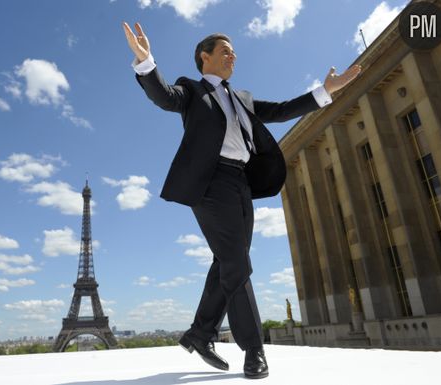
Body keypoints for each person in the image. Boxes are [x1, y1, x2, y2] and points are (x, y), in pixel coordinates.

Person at [122, 22, 361, 379]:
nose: (233, 55)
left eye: (234, 51)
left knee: (230, 261)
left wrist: (324, 92)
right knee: (237, 262)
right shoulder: (191, 90)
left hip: (241, 182)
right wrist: (146, 62)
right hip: (210, 182)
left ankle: (200, 333)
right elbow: (164, 97)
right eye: (225, 51)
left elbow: (281, 110)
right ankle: (254, 350)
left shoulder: (244, 98)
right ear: (205, 57)